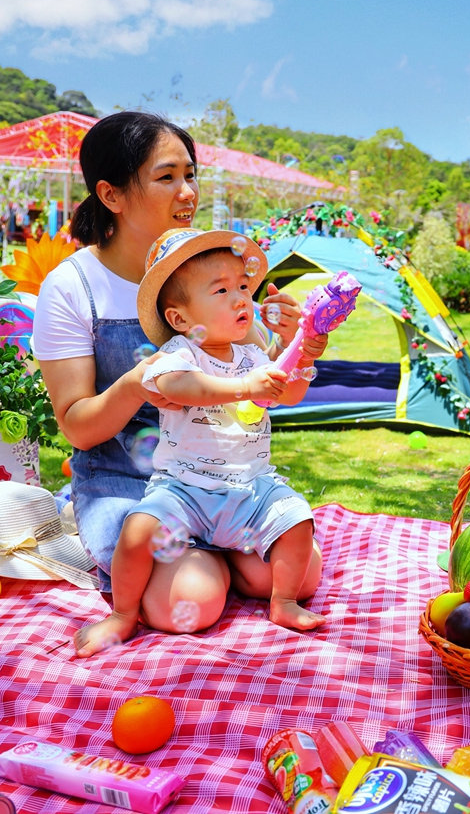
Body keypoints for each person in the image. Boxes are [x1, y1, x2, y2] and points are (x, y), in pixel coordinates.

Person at [31, 111, 319, 657]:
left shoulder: (214, 272)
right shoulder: (73, 286)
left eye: (191, 175)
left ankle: (223, 548)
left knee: (295, 579)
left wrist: (289, 342)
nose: (187, 193)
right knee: (190, 603)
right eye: (166, 177)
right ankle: (214, 557)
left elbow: (254, 386)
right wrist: (140, 383)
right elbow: (78, 428)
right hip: (126, 479)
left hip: (225, 475)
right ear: (111, 194)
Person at [69, 228, 328, 655]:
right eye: (222, 290)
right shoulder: (180, 353)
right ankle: (122, 613)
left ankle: (283, 602)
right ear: (181, 320)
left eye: (244, 287)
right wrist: (244, 387)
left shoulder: (252, 356)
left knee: (299, 520)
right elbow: (178, 384)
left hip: (249, 488)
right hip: (184, 489)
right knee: (136, 531)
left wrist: (305, 355)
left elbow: (291, 392)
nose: (241, 298)